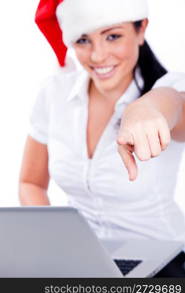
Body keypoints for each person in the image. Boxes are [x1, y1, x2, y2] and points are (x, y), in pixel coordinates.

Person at [19, 0, 185, 276]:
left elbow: (176, 105)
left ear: (141, 29)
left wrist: (150, 107)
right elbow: (31, 182)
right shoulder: (54, 93)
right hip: (82, 261)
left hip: (163, 261)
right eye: (83, 40)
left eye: (112, 36)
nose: (97, 56)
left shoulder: (168, 87)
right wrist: (54, 244)